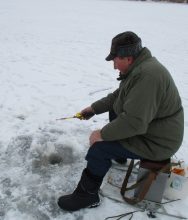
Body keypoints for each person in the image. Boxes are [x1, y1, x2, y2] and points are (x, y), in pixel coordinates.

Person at [57, 31, 184, 211]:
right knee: (116, 111)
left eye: (115, 60)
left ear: (128, 58)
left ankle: (87, 195)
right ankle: (120, 154)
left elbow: (134, 122)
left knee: (99, 149)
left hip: (158, 142)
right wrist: (93, 109)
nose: (114, 66)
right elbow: (118, 97)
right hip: (154, 129)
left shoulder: (147, 77)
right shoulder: (140, 69)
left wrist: (102, 135)